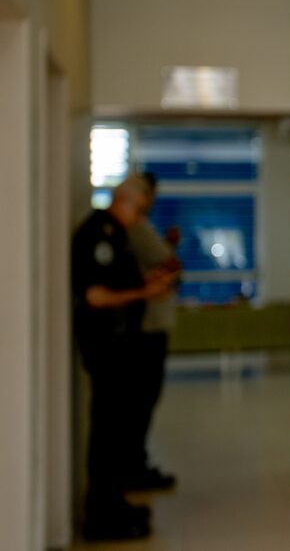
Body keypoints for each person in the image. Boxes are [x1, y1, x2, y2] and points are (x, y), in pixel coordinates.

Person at [71, 177, 177, 541]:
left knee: (116, 433)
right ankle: (102, 516)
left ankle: (114, 505)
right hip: (107, 351)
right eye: (141, 208)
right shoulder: (99, 234)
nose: (142, 217)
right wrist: (145, 291)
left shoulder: (118, 235)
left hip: (122, 351)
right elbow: (96, 295)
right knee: (107, 435)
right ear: (126, 200)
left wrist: (148, 284)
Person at [125, 172, 180, 491]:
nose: (149, 201)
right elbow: (168, 264)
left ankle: (136, 463)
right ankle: (134, 467)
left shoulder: (141, 227)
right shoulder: (137, 228)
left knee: (144, 401)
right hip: (147, 329)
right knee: (141, 401)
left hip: (151, 326)